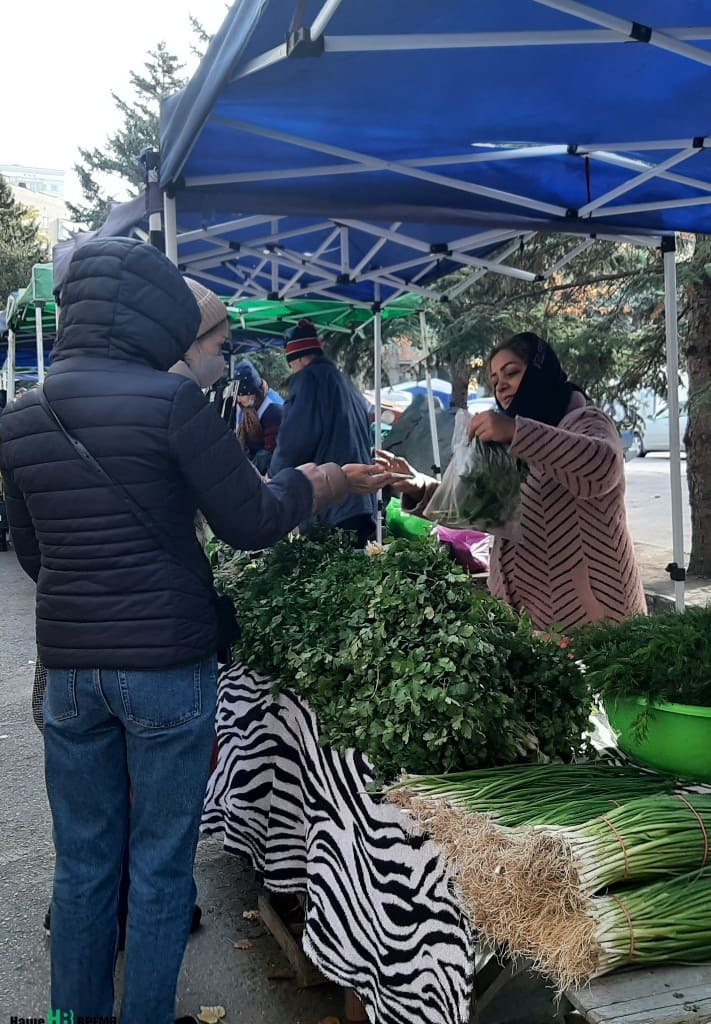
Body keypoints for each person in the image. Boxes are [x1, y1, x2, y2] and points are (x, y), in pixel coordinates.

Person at [0, 238, 399, 1024]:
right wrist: (314, 483)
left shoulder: (22, 414)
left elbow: (36, 556)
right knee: (159, 866)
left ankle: (69, 1020)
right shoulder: (173, 403)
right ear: (157, 315)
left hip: (71, 674)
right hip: (167, 671)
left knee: (81, 865)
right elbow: (250, 521)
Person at [377, 331, 646, 630]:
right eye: (494, 379)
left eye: (512, 373)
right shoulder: (508, 443)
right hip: (534, 620)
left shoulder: (586, 421)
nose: (501, 385)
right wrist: (418, 485)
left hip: (594, 619)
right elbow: (478, 508)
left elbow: (602, 467)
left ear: (540, 373)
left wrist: (518, 432)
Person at [269, 319, 377, 547]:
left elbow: (294, 441)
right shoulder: (343, 381)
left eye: (292, 363)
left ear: (297, 358)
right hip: (362, 501)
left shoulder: (309, 381)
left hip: (335, 502)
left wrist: (274, 479)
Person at [231, 360, 283, 474]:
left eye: (241, 395)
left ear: (254, 392)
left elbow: (269, 452)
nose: (238, 399)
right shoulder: (245, 406)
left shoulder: (273, 410)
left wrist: (246, 476)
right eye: (237, 395)